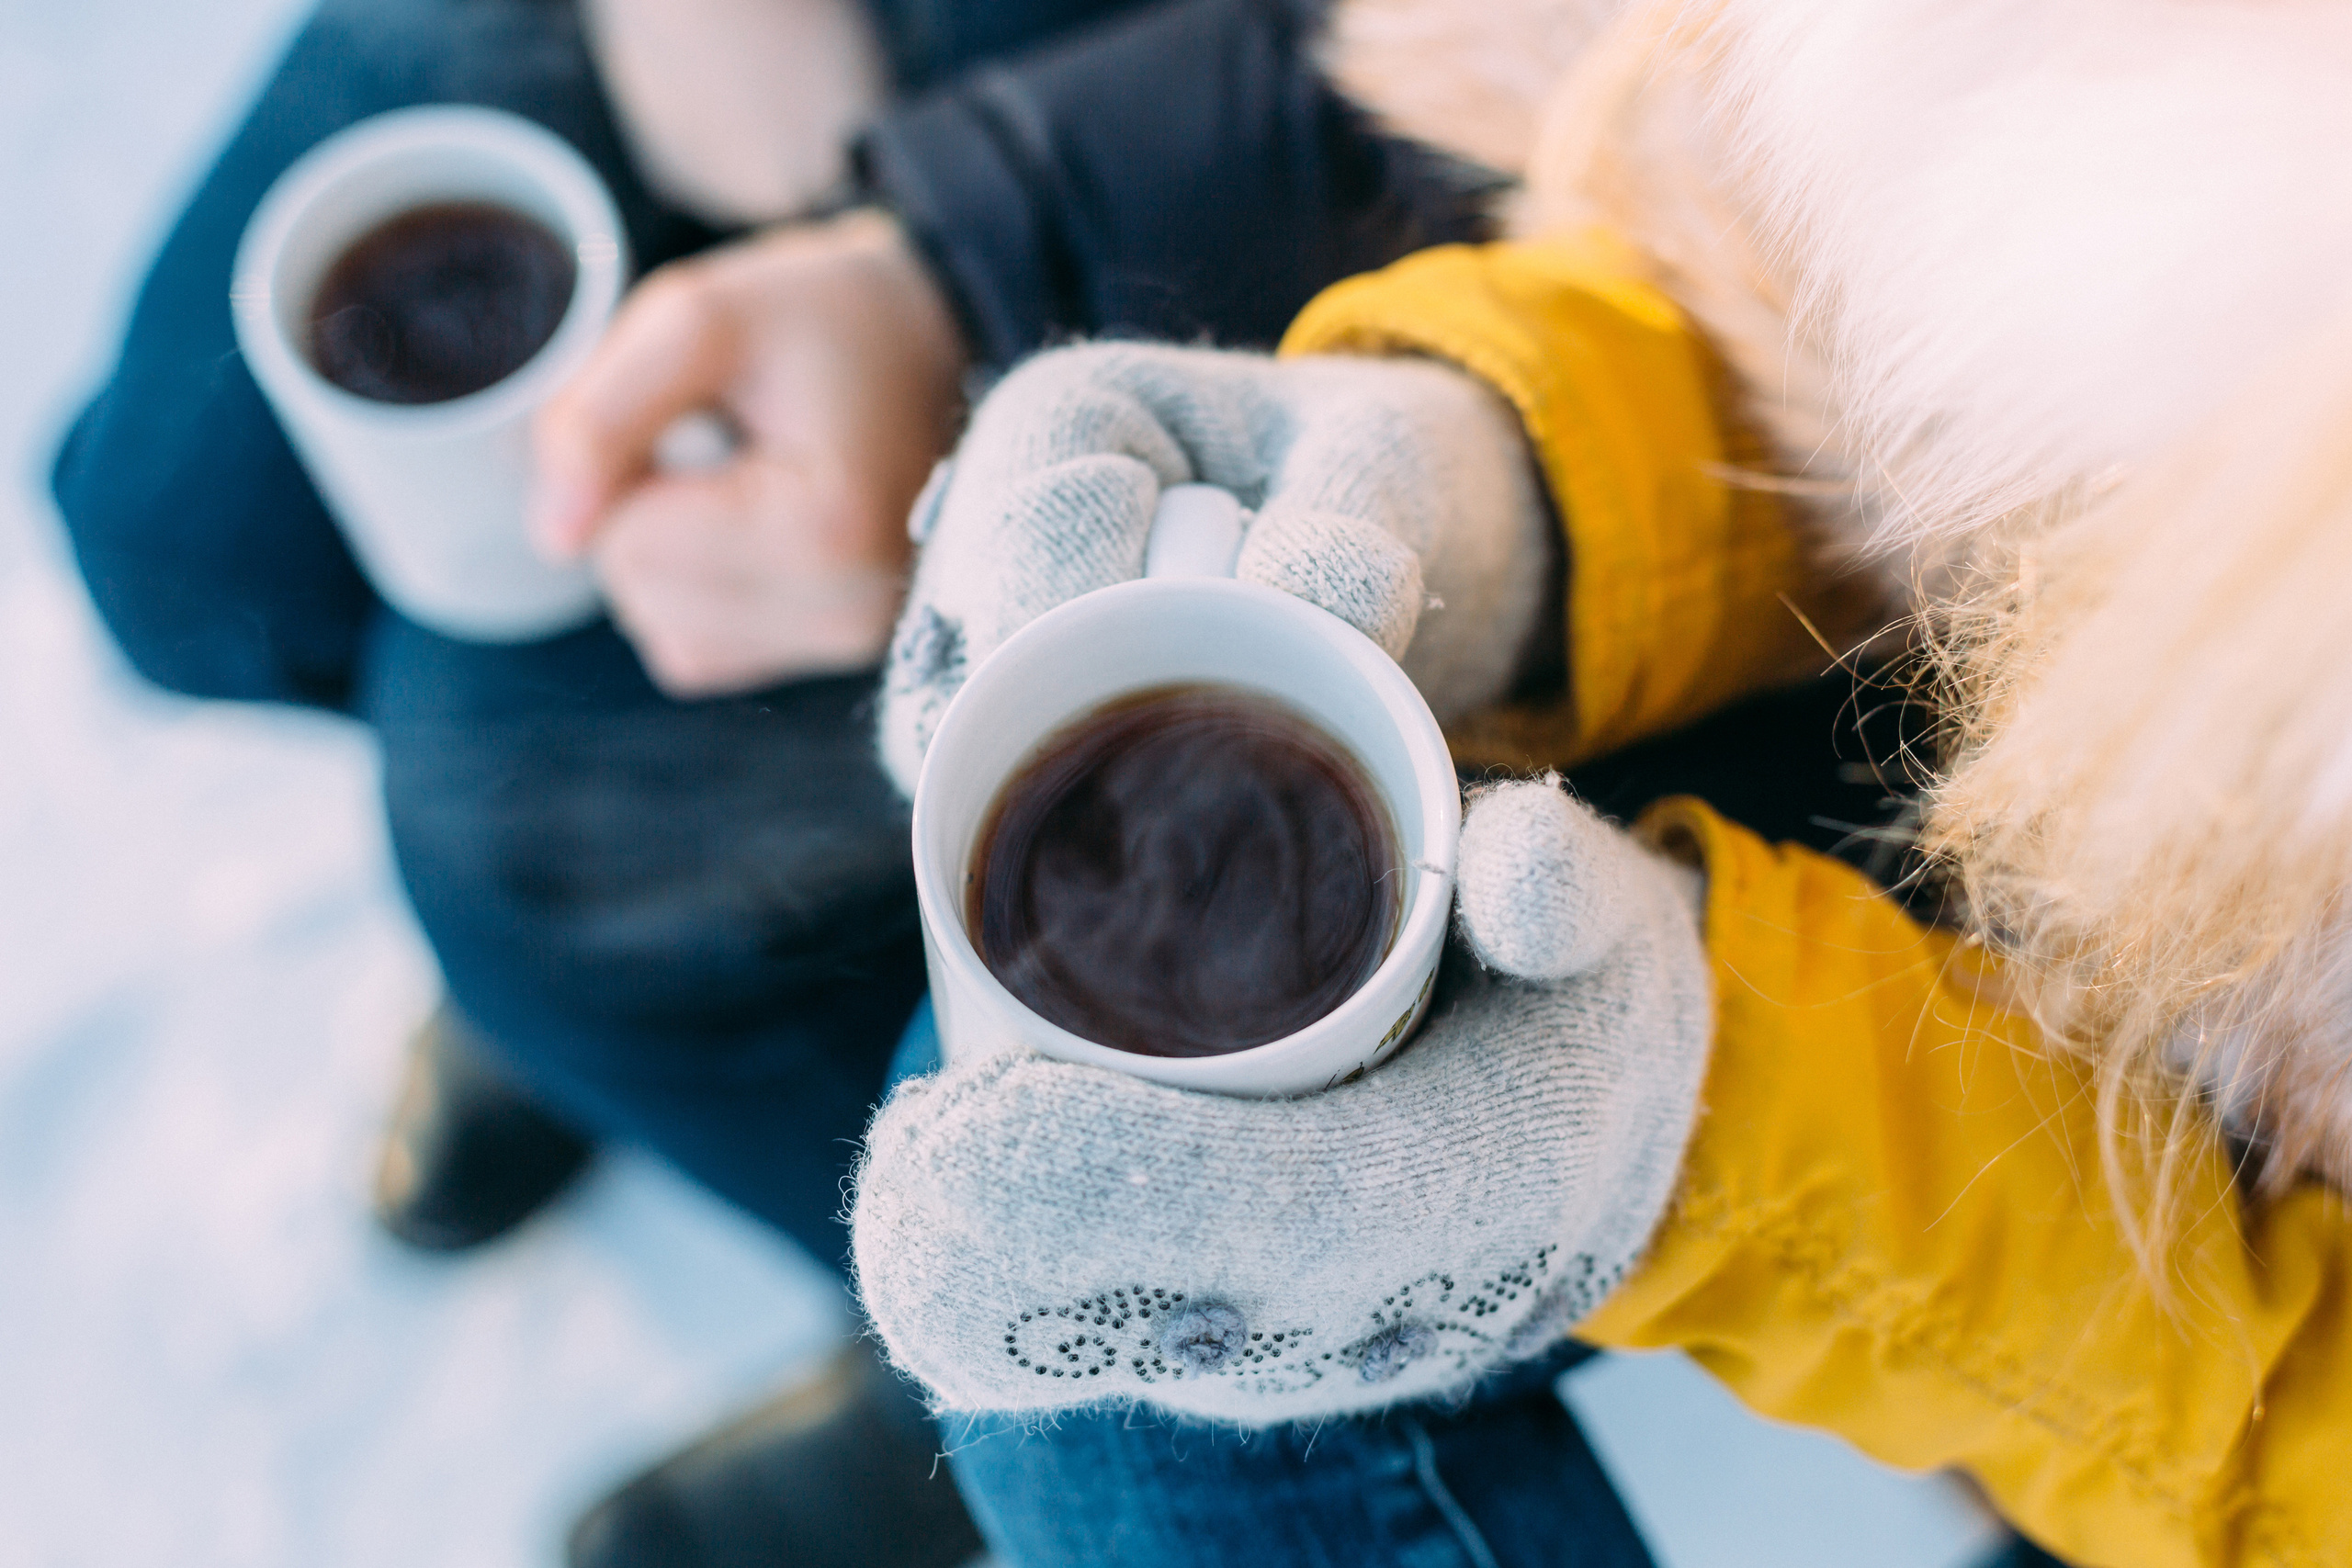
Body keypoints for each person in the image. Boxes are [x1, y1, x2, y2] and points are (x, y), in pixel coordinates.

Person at [848, 2, 2352, 1565]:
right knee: (1097, 1286)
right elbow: (1928, 291)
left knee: (1132, 1315)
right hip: (1984, 740)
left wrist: (1707, 1134)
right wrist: (1516, 482)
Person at [49, 0, 1504, 1563]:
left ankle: (985, 1323)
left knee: (505, 818)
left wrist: (969, 259)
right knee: (176, 543)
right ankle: (609, 999)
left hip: (1324, 109)